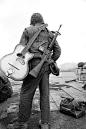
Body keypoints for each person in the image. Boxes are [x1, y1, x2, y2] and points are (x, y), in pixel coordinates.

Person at [7, 13, 61, 129]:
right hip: (46, 68)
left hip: (32, 67)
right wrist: (50, 60)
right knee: (45, 95)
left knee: (26, 94)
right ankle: (45, 123)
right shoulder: (49, 33)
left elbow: (21, 50)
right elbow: (58, 51)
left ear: (32, 21)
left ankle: (22, 123)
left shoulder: (28, 30)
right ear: (42, 21)